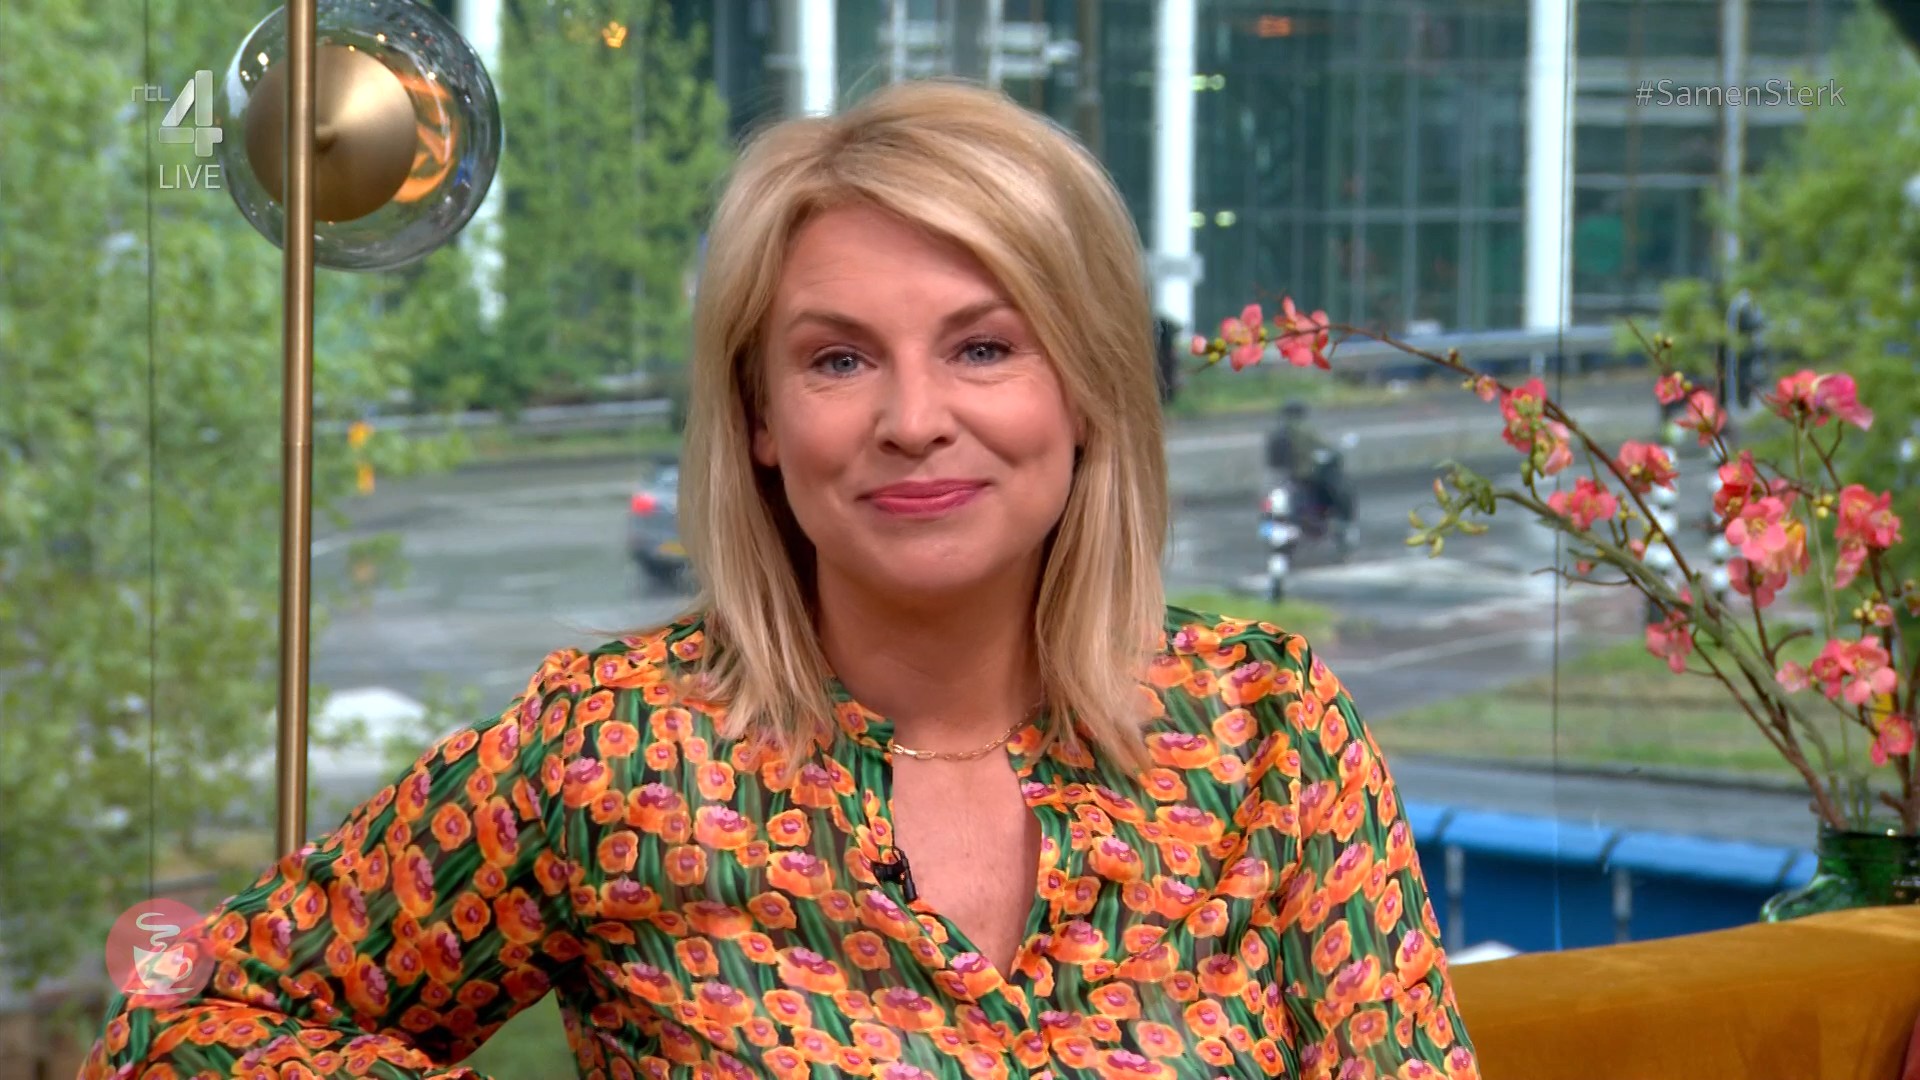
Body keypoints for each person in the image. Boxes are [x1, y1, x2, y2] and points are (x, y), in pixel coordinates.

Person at [82, 79, 1478, 1079]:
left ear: (1091, 389)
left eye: (985, 346)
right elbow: (181, 1027)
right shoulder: (615, 753)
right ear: (759, 415)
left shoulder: (1271, 732)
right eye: (838, 358)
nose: (913, 418)